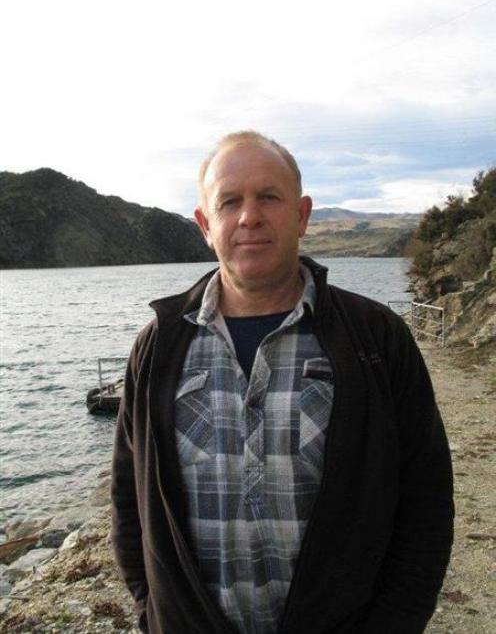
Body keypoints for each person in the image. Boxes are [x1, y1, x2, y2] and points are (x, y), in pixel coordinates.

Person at [111, 131, 454, 634]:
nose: (249, 216)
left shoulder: (375, 339)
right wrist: (151, 611)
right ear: (206, 225)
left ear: (302, 215)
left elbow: (425, 499)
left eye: (268, 196)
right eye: (230, 201)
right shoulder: (159, 346)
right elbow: (128, 496)